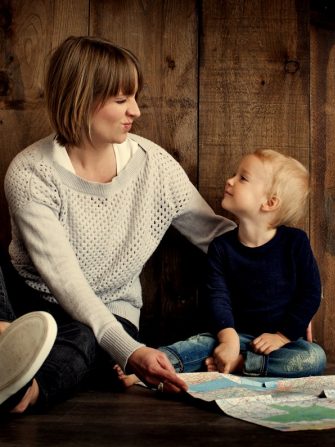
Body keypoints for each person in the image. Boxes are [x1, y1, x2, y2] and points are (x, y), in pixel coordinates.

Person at [0, 35, 235, 413]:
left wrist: (288, 282)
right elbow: (66, 282)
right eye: (122, 100)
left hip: (107, 315)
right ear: (81, 100)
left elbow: (217, 235)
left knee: (87, 338)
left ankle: (19, 393)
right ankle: (7, 335)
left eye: (134, 98)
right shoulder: (30, 173)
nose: (136, 112)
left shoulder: (154, 167)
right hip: (24, 300)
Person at [117, 149, 326, 387]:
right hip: (231, 334)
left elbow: (310, 293)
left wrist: (282, 336)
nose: (230, 180)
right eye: (234, 175)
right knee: (197, 345)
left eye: (242, 178)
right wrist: (228, 340)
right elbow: (217, 296)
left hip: (280, 343)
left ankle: (238, 365)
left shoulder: (295, 243)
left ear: (269, 202)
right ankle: (146, 369)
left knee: (314, 357)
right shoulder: (222, 247)